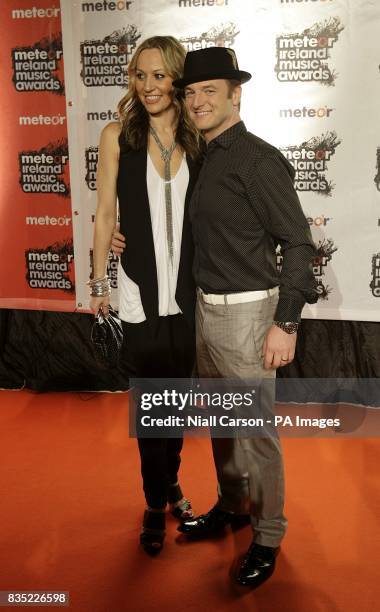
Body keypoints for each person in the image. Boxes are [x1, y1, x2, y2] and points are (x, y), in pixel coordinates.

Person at [112, 46, 318, 587]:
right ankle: (233, 506)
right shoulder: (202, 154)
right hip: (205, 311)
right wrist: (120, 233)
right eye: (192, 92)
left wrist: (287, 320)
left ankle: (269, 535)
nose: (198, 100)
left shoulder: (256, 159)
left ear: (236, 94)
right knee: (226, 427)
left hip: (250, 315)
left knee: (255, 434)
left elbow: (298, 243)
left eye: (211, 91)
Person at [89, 36, 201, 555]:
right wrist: (97, 284)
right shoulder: (118, 135)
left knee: (174, 405)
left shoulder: (199, 134)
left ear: (176, 79)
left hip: (189, 292)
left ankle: (170, 481)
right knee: (150, 406)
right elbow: (105, 214)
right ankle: (155, 502)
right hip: (138, 291)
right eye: (140, 75)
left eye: (159, 76)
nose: (149, 86)